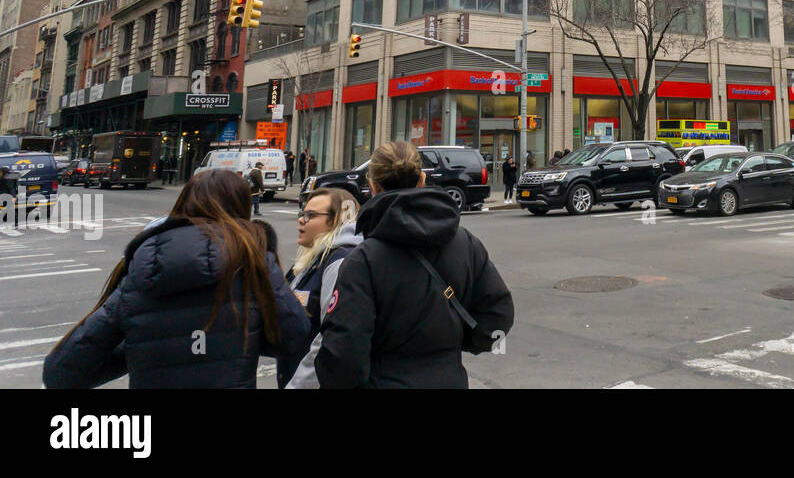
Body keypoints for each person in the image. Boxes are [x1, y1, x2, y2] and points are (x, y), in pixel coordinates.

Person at [42, 168, 310, 388]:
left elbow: (62, 370)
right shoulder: (252, 261)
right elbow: (296, 336)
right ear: (241, 208)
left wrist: (144, 351)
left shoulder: (141, 266)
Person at [315, 141, 514, 388]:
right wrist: (450, 344)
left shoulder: (363, 259)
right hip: (449, 379)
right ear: (421, 180)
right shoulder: (466, 243)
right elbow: (498, 316)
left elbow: (343, 353)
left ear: (373, 186)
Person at [277, 187, 361, 388]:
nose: (301, 220)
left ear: (335, 222)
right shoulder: (314, 258)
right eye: (302, 214)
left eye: (310, 215)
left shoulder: (339, 261)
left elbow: (328, 339)